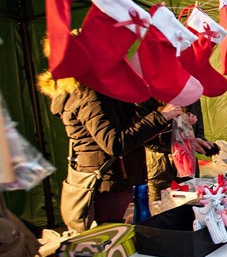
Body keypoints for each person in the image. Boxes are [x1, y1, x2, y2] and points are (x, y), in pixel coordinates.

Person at [40, 73, 178, 225]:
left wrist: (175, 139)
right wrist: (160, 117)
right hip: (108, 188)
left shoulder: (101, 89)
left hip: (122, 184)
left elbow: (133, 133)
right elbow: (114, 144)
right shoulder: (90, 93)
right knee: (117, 241)